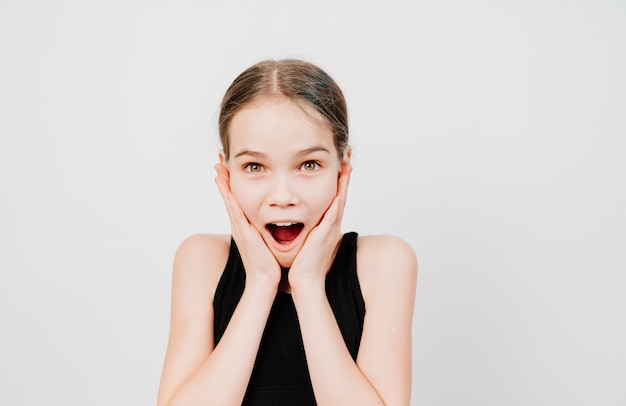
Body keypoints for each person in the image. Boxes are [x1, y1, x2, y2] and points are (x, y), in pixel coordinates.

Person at [156, 59, 418, 405]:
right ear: (226, 171)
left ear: (342, 168)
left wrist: (308, 285)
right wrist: (261, 282)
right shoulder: (202, 260)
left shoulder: (384, 263)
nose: (283, 197)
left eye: (309, 165)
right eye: (254, 166)